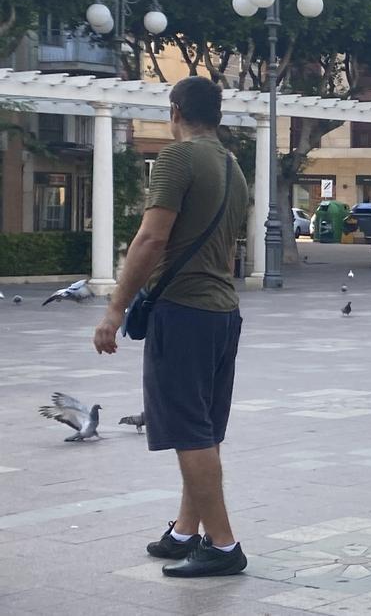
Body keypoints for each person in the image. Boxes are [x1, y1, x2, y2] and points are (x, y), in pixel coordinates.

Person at [93, 76, 250, 578]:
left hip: (183, 311)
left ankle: (223, 546)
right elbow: (227, 251)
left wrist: (114, 310)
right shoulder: (233, 166)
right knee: (201, 427)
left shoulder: (177, 159)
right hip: (223, 312)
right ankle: (186, 531)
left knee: (189, 430)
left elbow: (150, 239)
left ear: (176, 111)